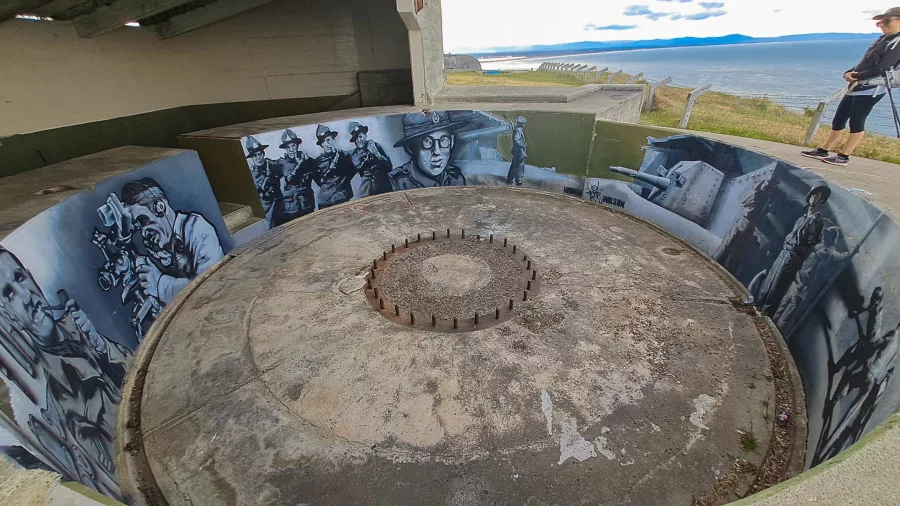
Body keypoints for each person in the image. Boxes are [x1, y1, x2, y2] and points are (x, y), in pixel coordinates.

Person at [0, 246, 131, 485]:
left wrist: (99, 345)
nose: (26, 296)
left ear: (31, 277)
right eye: (9, 294)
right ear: (7, 317)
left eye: (20, 278)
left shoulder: (82, 326)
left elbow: (147, 373)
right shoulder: (53, 399)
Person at [802, 8, 900, 167]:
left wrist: (855, 76)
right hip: (856, 85)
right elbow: (865, 62)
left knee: (857, 121)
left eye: (886, 21)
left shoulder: (898, 43)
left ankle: (844, 156)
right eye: (880, 21)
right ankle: (824, 149)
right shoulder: (882, 39)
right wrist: (849, 72)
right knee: (839, 118)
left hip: (872, 89)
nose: (881, 24)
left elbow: (881, 68)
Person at [120, 178, 225, 305]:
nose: (143, 233)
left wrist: (160, 284)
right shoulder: (157, 246)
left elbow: (210, 288)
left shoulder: (197, 229)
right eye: (139, 226)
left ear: (160, 207)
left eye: (144, 221)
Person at [753, 183, 830, 315]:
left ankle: (766, 313)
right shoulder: (801, 219)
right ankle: (757, 305)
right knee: (769, 282)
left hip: (794, 256)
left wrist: (799, 261)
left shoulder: (816, 221)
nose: (813, 198)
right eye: (812, 195)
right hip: (785, 251)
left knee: (778, 286)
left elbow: (811, 244)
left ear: (821, 200)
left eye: (817, 196)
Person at [713, 175, 779, 274]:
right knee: (738, 250)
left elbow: (743, 201)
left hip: (744, 222)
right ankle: (729, 269)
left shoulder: (757, 196)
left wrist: (755, 189)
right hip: (751, 226)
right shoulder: (767, 199)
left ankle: (717, 260)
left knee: (729, 243)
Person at [389, 111, 467, 190]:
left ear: (452, 142)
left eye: (444, 140)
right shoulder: (396, 183)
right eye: (427, 142)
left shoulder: (455, 179)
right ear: (410, 148)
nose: (437, 151)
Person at [306, 125, 357, 209]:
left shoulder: (343, 156)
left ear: (334, 140)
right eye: (323, 142)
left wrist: (338, 157)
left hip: (342, 198)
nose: (327, 144)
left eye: (328, 140)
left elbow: (352, 172)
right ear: (321, 145)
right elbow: (319, 182)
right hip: (325, 201)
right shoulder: (317, 162)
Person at [275, 129, 316, 224]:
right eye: (288, 147)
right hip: (290, 206)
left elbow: (317, 175)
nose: (291, 150)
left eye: (293, 146)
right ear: (285, 149)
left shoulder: (306, 159)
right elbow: (273, 181)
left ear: (297, 146)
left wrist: (308, 161)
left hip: (307, 203)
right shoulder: (281, 163)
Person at [245, 135, 283, 226]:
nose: (258, 158)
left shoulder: (273, 165)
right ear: (251, 158)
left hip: (279, 205)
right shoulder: (252, 173)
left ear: (263, 154)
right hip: (265, 208)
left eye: (259, 154)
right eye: (254, 156)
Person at [348, 122, 392, 197]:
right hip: (366, 191)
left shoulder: (376, 146)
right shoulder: (353, 155)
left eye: (360, 136)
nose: (359, 140)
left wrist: (377, 154)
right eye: (356, 138)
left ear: (365, 135)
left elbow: (389, 167)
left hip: (384, 187)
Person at [506, 116, 528, 185]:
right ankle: (518, 179)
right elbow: (516, 141)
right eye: (524, 123)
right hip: (519, 151)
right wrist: (523, 145)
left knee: (515, 164)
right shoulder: (518, 130)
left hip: (518, 150)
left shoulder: (518, 130)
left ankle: (511, 178)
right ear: (521, 124)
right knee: (519, 165)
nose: (525, 125)